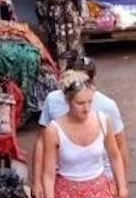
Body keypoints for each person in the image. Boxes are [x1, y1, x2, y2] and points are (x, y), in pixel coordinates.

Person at [36, 70, 128, 198]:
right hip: (67, 197)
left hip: (99, 193)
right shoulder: (54, 130)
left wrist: (122, 189)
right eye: (80, 103)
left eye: (89, 102)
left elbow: (115, 155)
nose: (86, 109)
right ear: (68, 102)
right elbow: (49, 175)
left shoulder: (103, 121)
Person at [33, 54, 126, 183]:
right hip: (63, 176)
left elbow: (119, 148)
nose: (86, 108)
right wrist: (36, 181)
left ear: (93, 81)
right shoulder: (52, 100)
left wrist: (122, 186)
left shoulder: (107, 106)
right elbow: (41, 142)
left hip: (102, 177)